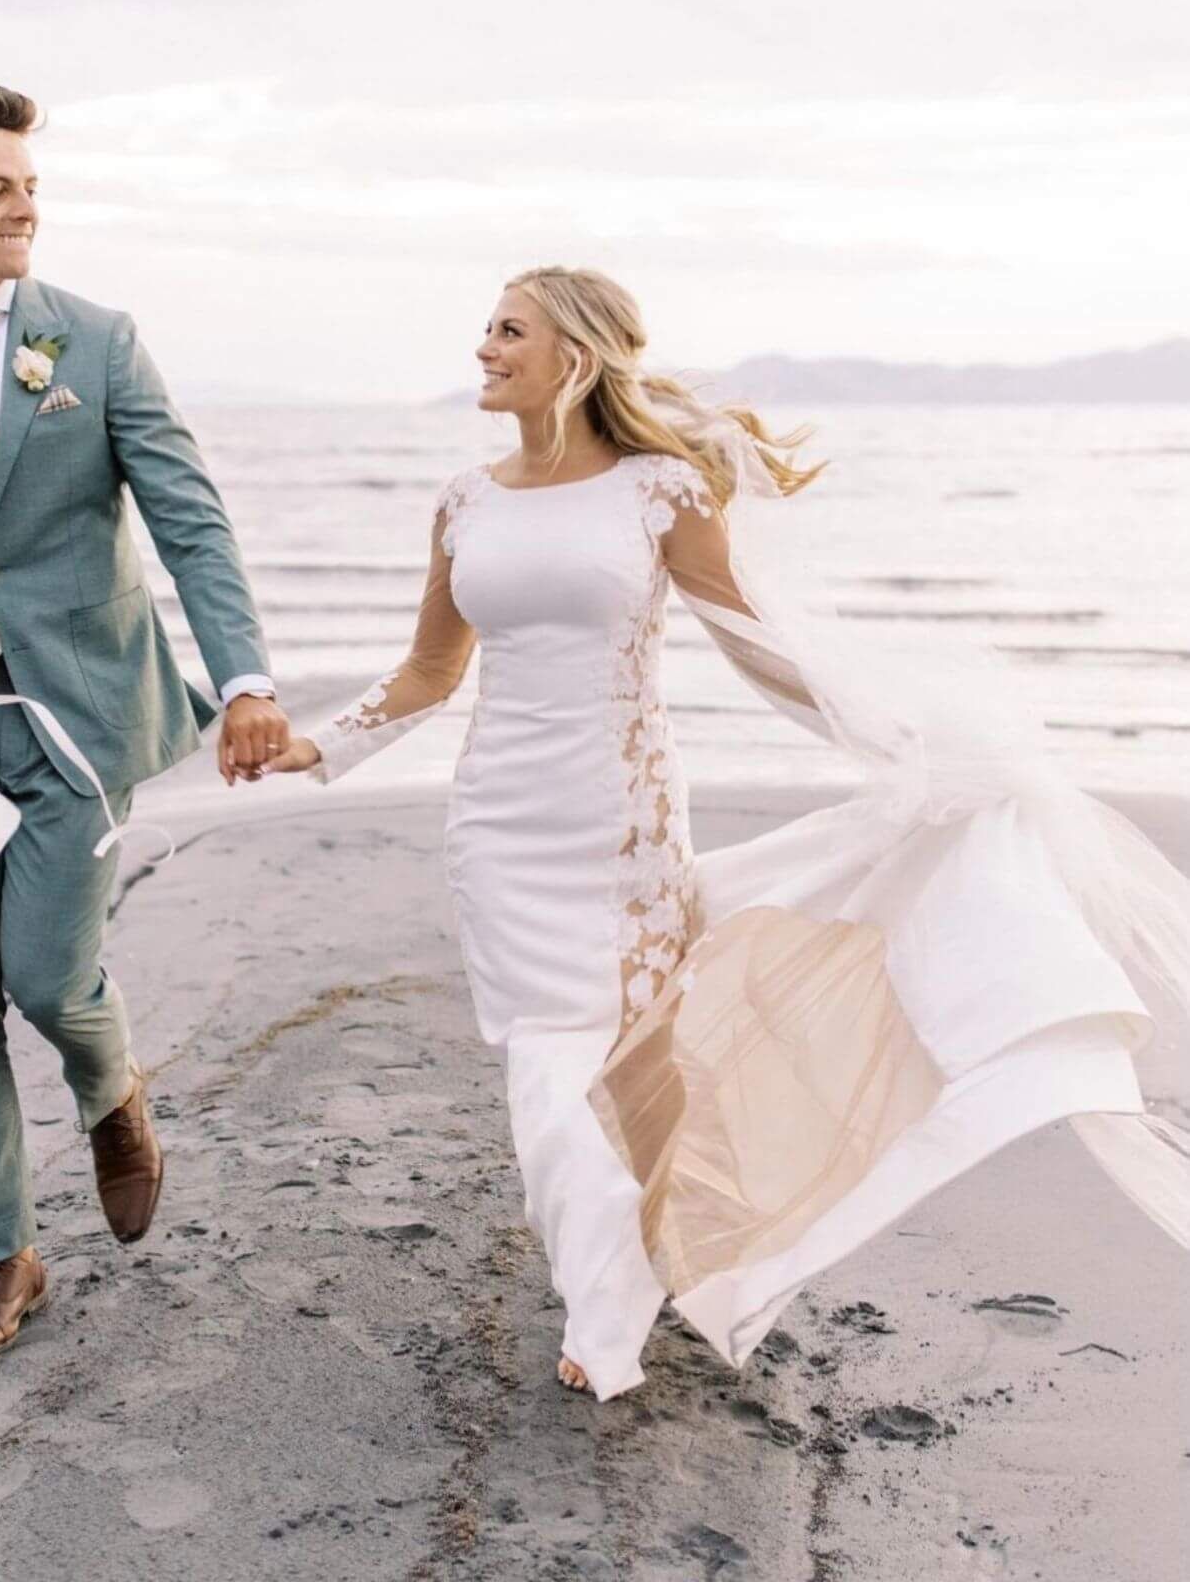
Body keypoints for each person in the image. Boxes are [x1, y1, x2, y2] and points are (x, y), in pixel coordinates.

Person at [264, 265, 1190, 1400]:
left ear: (577, 354)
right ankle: (624, 1273)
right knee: (543, 1071)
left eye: (508, 331)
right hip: (497, 832)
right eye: (486, 329)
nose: (483, 349)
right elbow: (426, 672)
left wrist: (891, 745)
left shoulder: (660, 492)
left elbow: (751, 645)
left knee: (616, 1063)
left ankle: (608, 1311)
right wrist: (318, 748)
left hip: (622, 832)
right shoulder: (465, 500)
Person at [0, 83, 290, 1365]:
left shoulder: (96, 342)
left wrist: (242, 677)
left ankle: (111, 1089)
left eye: (29, 184)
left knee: (41, 975)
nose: (25, 204)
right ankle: (1, 1260)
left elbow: (187, 518)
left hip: (77, 711)